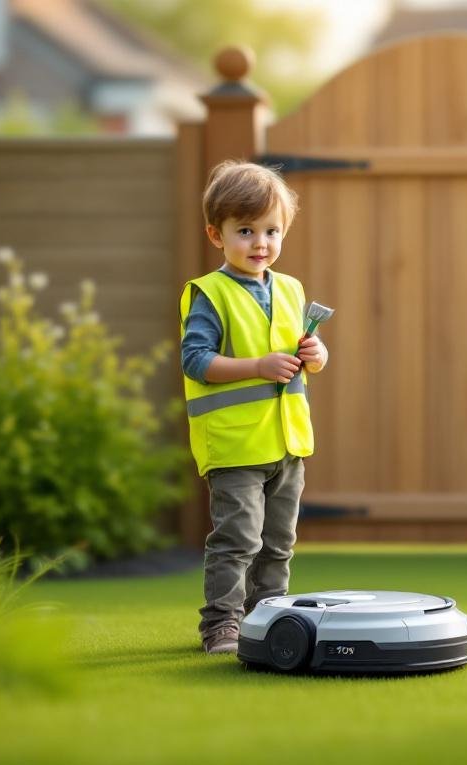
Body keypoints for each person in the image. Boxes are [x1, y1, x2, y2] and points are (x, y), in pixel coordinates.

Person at [178, 160, 328, 655]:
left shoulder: (290, 289)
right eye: (245, 231)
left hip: (287, 442)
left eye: (271, 230)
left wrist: (317, 355)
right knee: (238, 540)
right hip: (236, 444)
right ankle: (222, 624)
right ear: (215, 235)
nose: (260, 242)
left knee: (279, 543)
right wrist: (258, 366)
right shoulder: (209, 293)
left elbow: (302, 357)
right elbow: (196, 361)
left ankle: (269, 620)